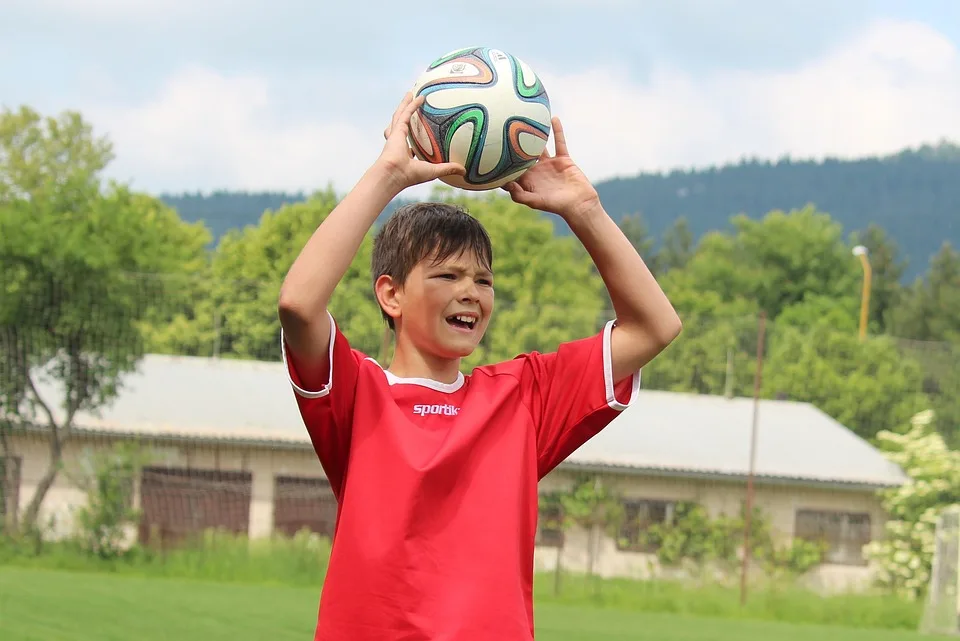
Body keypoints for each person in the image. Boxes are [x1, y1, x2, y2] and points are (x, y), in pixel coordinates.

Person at [277, 92, 682, 641]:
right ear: (390, 295)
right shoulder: (356, 394)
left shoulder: (523, 397)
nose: (471, 293)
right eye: (447, 276)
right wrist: (389, 174)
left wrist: (583, 211)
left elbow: (655, 326)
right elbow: (299, 305)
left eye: (483, 281)